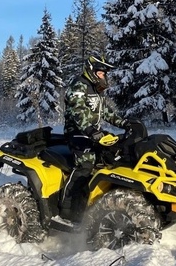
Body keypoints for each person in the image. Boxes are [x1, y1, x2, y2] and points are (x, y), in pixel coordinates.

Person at [59, 54, 142, 221]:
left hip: (93, 134)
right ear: (92, 71)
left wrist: (125, 123)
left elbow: (106, 112)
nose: (104, 76)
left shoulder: (97, 90)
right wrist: (90, 130)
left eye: (105, 74)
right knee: (86, 164)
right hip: (77, 133)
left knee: (112, 159)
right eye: (101, 73)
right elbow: (77, 110)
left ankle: (97, 202)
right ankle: (66, 206)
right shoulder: (79, 85)